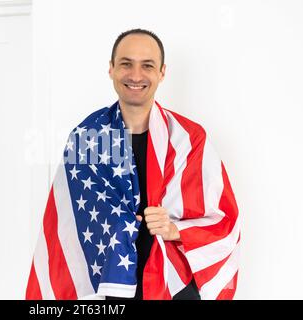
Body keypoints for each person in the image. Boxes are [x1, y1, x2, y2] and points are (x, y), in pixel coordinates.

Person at [26, 29, 239, 300]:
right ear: (111, 69)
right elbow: (65, 224)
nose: (136, 75)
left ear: (162, 72)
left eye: (147, 65)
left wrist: (175, 229)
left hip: (173, 285)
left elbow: (224, 220)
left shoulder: (189, 139)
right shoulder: (87, 137)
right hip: (108, 284)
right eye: (126, 64)